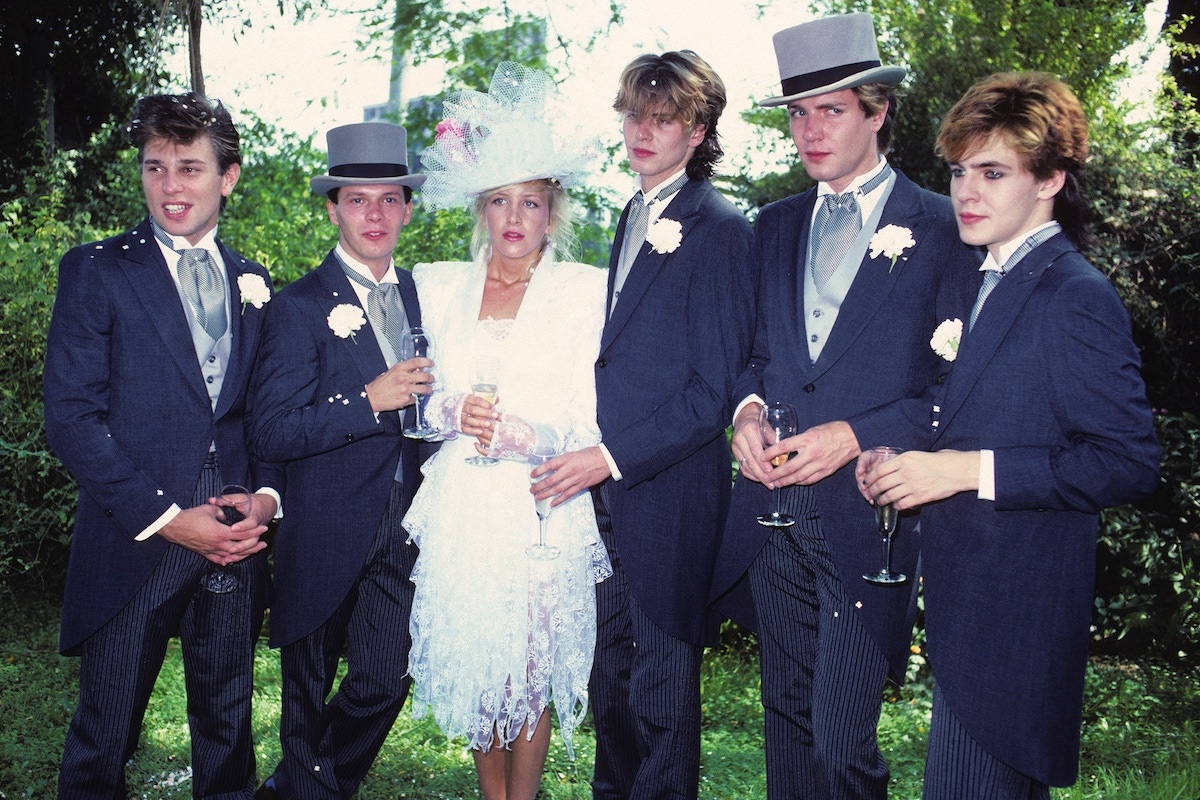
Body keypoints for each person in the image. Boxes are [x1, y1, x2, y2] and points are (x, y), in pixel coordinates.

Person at [857, 71, 1160, 799]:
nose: (966, 191)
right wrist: (904, 458)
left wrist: (965, 472)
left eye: (992, 172)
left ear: (1051, 177)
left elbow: (1128, 462)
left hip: (1016, 628)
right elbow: (966, 407)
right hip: (966, 619)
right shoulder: (978, 277)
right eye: (959, 171)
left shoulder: (1074, 295)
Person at [709, 12, 982, 798]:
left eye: (831, 109)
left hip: (871, 520)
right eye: (798, 113)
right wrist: (747, 413)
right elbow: (754, 356)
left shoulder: (942, 226)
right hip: (771, 519)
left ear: (877, 109)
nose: (810, 130)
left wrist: (855, 433)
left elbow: (956, 389)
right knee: (787, 730)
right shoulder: (774, 226)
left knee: (838, 742)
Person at [44, 92, 280, 799]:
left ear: (228, 177)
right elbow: (72, 419)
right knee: (103, 735)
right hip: (134, 539)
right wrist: (170, 520)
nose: (171, 187)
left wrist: (265, 500)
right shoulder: (97, 269)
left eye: (189, 168)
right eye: (155, 168)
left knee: (228, 731)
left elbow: (259, 414)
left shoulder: (255, 281)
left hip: (236, 544)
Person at [537, 50, 756, 799]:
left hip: (668, 497)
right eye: (633, 114)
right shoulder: (633, 213)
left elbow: (712, 391)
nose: (641, 131)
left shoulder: (721, 228)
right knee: (615, 690)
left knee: (661, 692)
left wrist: (609, 458)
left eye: (661, 118)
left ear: (697, 131)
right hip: (608, 501)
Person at [400, 61, 610, 800]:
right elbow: (417, 397)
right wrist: (451, 412)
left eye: (530, 201)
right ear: (480, 210)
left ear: (552, 212)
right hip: (464, 501)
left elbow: (594, 412)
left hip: (543, 500)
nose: (514, 217)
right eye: (499, 202)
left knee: (530, 668)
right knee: (480, 658)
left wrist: (535, 433)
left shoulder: (587, 293)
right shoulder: (436, 284)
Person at [247, 121, 431, 800]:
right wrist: (368, 400)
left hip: (408, 524)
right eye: (358, 200)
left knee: (386, 677)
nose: (374, 215)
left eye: (389, 199)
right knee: (306, 692)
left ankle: (307, 785)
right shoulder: (297, 307)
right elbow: (270, 430)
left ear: (407, 207)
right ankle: (305, 785)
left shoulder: (426, 295)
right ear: (333, 207)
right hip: (322, 525)